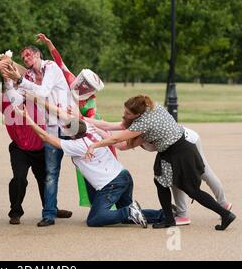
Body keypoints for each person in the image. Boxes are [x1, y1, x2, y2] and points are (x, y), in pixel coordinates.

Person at [84, 95, 236, 230]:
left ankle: (225, 214)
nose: (125, 115)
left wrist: (94, 145)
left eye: (128, 113)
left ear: (138, 114)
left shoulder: (143, 124)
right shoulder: (153, 107)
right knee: (160, 182)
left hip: (180, 152)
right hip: (171, 151)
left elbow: (118, 140)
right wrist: (83, 120)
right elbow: (120, 128)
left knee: (192, 190)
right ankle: (169, 220)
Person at [15, 104, 165, 228]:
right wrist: (42, 102)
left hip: (111, 184)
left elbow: (45, 136)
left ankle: (128, 212)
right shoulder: (88, 127)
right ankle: (164, 214)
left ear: (72, 135)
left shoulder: (77, 145)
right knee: (126, 214)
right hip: (123, 176)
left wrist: (27, 118)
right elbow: (62, 114)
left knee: (96, 219)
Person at [2, 46, 74, 227]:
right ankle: (49, 214)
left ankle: (103, 204)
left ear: (37, 54)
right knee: (50, 174)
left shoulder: (51, 67)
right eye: (23, 56)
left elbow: (43, 91)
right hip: (50, 130)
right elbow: (17, 101)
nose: (25, 58)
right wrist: (9, 83)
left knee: (86, 165)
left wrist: (18, 78)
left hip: (69, 125)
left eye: (28, 54)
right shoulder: (27, 78)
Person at [36, 33, 110, 208]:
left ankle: (97, 204)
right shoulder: (70, 79)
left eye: (86, 86)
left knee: (89, 170)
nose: (82, 86)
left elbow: (90, 123)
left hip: (78, 129)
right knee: (53, 172)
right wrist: (49, 44)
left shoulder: (90, 101)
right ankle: (51, 211)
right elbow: (59, 62)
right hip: (58, 125)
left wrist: (78, 117)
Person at [0, 68, 46, 225]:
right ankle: (15, 212)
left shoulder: (34, 97)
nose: (11, 81)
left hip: (40, 147)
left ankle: (50, 209)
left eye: (14, 78)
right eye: (8, 80)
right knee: (19, 179)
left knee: (45, 180)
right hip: (19, 148)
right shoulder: (6, 101)